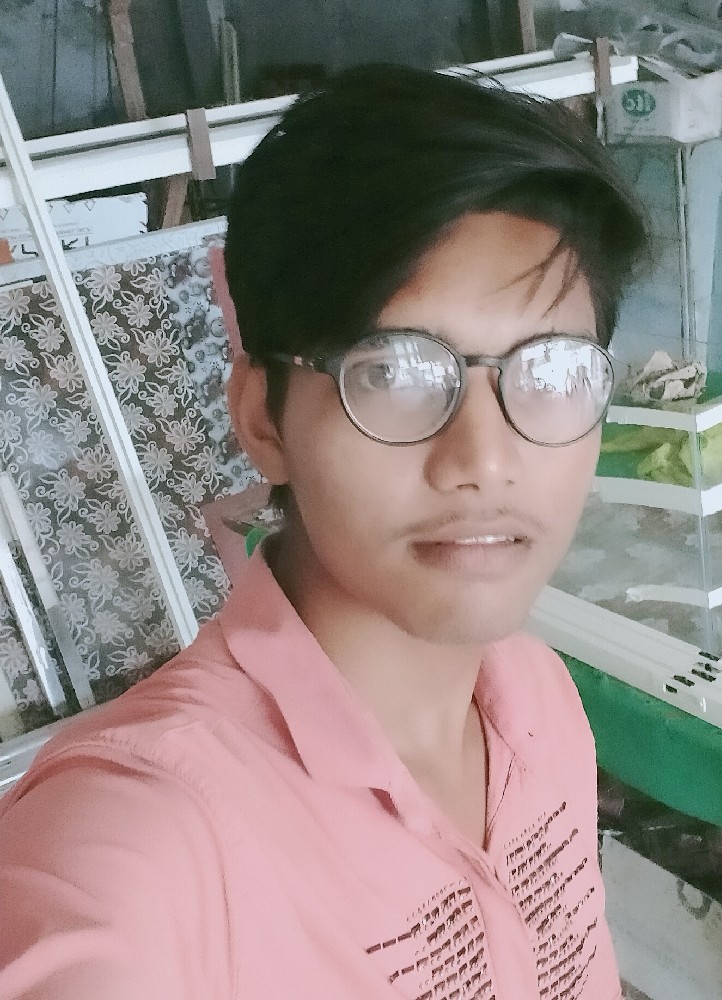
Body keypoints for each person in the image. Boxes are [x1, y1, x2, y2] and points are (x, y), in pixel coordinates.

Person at [0, 63, 647, 999]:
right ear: (262, 418)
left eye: (551, 372)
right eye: (393, 372)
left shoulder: (538, 702)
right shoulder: (145, 846)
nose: (483, 458)